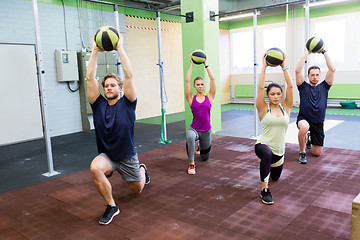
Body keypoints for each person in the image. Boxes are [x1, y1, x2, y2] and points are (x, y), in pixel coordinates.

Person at [87, 33, 150, 225]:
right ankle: (111, 206)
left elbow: (129, 75)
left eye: (113, 85)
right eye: (106, 85)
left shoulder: (128, 103)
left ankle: (141, 170)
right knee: (95, 168)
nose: (108, 88)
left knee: (136, 190)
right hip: (108, 156)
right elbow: (89, 78)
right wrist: (95, 51)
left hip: (127, 156)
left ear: (120, 88)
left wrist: (120, 48)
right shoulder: (98, 105)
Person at [255, 53, 293, 205]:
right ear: (268, 95)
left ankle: (270, 169)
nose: (276, 96)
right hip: (263, 145)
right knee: (267, 153)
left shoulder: (286, 107)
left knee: (276, 177)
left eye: (278, 94)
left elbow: (290, 86)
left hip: (280, 152)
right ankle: (264, 190)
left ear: (281, 95)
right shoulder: (263, 109)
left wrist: (284, 66)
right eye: (272, 94)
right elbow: (260, 87)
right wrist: (264, 66)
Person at [295, 47, 336, 164]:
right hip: (304, 119)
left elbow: (332, 69)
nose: (315, 77)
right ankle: (302, 153)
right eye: (312, 75)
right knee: (304, 127)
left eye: (317, 75)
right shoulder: (303, 86)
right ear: (308, 76)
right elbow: (298, 71)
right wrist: (306, 53)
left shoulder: (324, 86)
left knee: (317, 153)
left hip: (318, 122)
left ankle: (309, 138)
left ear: (319, 76)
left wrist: (324, 51)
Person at [184, 54, 216, 175]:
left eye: (202, 84)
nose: (200, 86)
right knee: (190, 137)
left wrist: (205, 64)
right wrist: (191, 64)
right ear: (194, 86)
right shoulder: (191, 98)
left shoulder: (210, 97)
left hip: (206, 131)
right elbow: (187, 80)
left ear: (205, 85)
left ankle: (199, 147)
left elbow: (213, 79)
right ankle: (191, 163)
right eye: (198, 84)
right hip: (195, 129)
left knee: (205, 158)